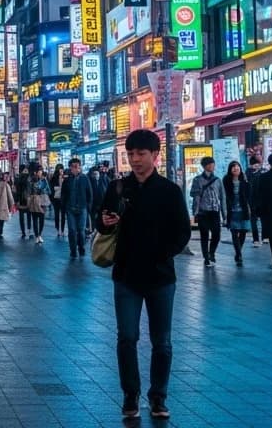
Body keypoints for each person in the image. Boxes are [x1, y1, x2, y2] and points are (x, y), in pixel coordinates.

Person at [97, 130, 191, 420]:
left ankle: (158, 397)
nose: (135, 160)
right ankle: (130, 395)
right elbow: (100, 223)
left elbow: (183, 232)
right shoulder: (117, 188)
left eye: (141, 154)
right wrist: (105, 221)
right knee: (127, 337)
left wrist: (162, 253)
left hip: (161, 277)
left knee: (161, 340)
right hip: (125, 275)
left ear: (155, 156)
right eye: (131, 154)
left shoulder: (169, 191)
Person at [190, 157, 224, 267]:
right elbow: (195, 196)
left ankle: (212, 253)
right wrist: (195, 212)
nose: (212, 166)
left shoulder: (218, 180)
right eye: (210, 164)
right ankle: (206, 258)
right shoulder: (197, 180)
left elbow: (222, 197)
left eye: (213, 164)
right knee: (204, 235)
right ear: (205, 166)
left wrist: (224, 214)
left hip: (215, 211)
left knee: (216, 235)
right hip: (203, 211)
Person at [61, 157, 94, 260]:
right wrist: (64, 207)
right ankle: (73, 250)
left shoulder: (85, 178)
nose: (75, 168)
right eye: (73, 166)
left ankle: (81, 247)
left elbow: (89, 193)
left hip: (82, 208)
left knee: (81, 230)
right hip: (70, 208)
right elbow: (63, 194)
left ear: (80, 167)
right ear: (70, 168)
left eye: (77, 166)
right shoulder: (67, 180)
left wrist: (88, 207)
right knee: (71, 230)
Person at [221, 161, 252, 266]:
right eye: (233, 167)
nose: (235, 168)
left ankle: (238, 252)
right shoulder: (226, 180)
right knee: (234, 232)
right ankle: (239, 254)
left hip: (243, 209)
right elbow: (223, 195)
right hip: (232, 210)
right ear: (230, 169)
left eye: (237, 167)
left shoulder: (244, 179)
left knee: (243, 232)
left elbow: (249, 194)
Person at [26, 164, 52, 244]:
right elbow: (28, 192)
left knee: (41, 219)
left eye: (41, 170)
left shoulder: (44, 180)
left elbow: (49, 191)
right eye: (40, 171)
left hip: (42, 201)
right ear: (35, 172)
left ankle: (40, 235)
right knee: (35, 219)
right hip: (34, 201)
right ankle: (37, 236)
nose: (41, 172)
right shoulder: (30, 180)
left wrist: (43, 190)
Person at [0, 171, 15, 241]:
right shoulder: (5, 185)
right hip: (2, 204)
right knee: (0, 219)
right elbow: (10, 196)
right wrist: (12, 205)